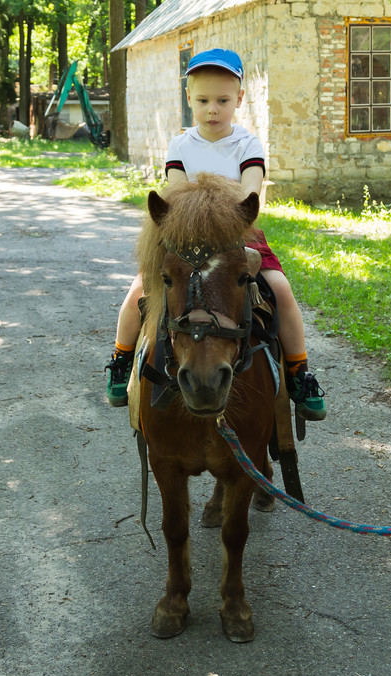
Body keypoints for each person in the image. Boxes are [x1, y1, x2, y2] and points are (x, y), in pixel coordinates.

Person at [105, 47, 326, 420]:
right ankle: (122, 359)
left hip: (237, 235)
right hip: (186, 239)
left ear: (239, 99)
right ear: (189, 98)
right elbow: (176, 199)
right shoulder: (180, 145)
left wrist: (227, 215)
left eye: (223, 100)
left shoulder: (247, 145)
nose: (213, 109)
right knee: (137, 292)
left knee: (282, 291)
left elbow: (251, 195)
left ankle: (299, 371)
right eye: (204, 100)